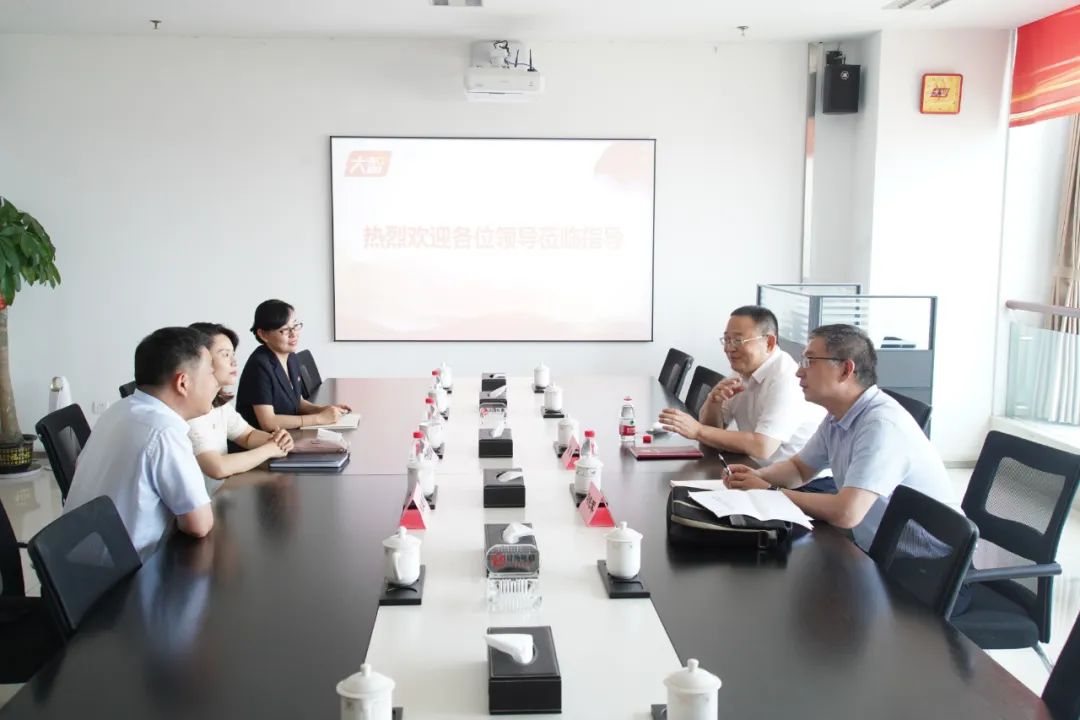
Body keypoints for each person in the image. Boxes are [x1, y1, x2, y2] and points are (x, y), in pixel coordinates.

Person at [723, 323, 955, 550]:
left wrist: (771, 492)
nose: (799, 371)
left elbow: (847, 512)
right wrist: (756, 476)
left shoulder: (881, 425)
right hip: (875, 545)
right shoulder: (838, 415)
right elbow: (799, 469)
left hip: (923, 564)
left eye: (810, 361)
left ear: (845, 370)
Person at [64, 327, 219, 557]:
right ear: (183, 383)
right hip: (126, 573)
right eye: (211, 373)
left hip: (79, 563)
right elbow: (199, 524)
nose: (216, 383)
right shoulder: (165, 431)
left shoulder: (119, 410)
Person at [658, 305, 825, 466]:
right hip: (756, 469)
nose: (729, 348)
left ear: (769, 342)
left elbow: (763, 447)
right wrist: (713, 402)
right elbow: (713, 432)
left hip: (798, 481)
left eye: (738, 340)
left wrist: (698, 430)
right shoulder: (742, 370)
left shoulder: (786, 378)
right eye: (727, 340)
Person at [186, 323, 294, 479]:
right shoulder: (190, 412)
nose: (234, 362)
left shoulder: (219, 404)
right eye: (225, 355)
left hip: (225, 489)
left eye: (233, 354)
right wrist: (270, 449)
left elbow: (247, 435)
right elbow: (218, 468)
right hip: (213, 493)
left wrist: (278, 440)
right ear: (201, 359)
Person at [234, 299, 350, 431]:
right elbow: (268, 422)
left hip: (287, 435)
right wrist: (319, 418)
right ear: (263, 334)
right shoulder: (259, 366)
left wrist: (323, 410)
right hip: (261, 440)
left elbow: (297, 402)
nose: (293, 334)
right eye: (284, 330)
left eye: (295, 326)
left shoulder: (291, 357)